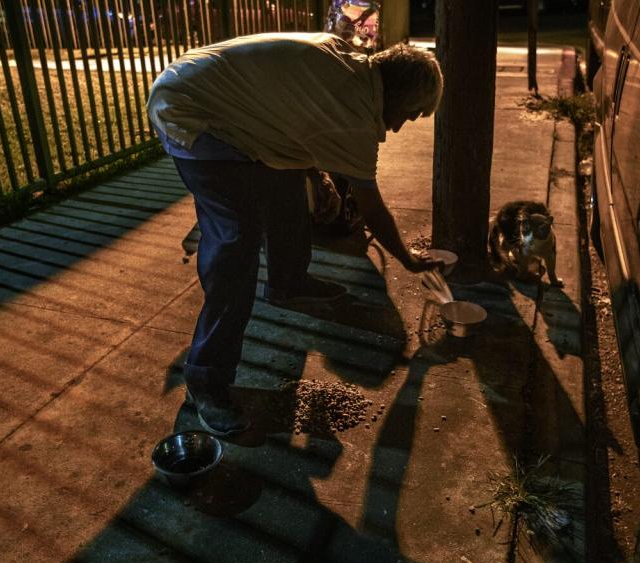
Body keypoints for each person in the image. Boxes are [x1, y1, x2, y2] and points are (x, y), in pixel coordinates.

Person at [146, 32, 444, 436]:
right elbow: (371, 209)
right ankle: (206, 382)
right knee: (236, 243)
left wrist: (311, 170)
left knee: (287, 185)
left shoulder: (350, 64)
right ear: (398, 94)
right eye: (410, 114)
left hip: (208, 90)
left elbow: (286, 113)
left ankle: (287, 281)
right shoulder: (353, 116)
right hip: (191, 113)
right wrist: (407, 258)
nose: (400, 127)